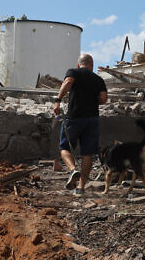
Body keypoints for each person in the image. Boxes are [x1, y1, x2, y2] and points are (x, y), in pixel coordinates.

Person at [54, 54, 107, 196]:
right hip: (92, 120)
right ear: (92, 65)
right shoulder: (98, 79)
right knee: (87, 154)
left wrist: (58, 100)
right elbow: (103, 99)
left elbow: (68, 82)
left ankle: (73, 170)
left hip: (74, 118)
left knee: (64, 148)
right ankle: (81, 188)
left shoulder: (73, 72)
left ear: (79, 64)